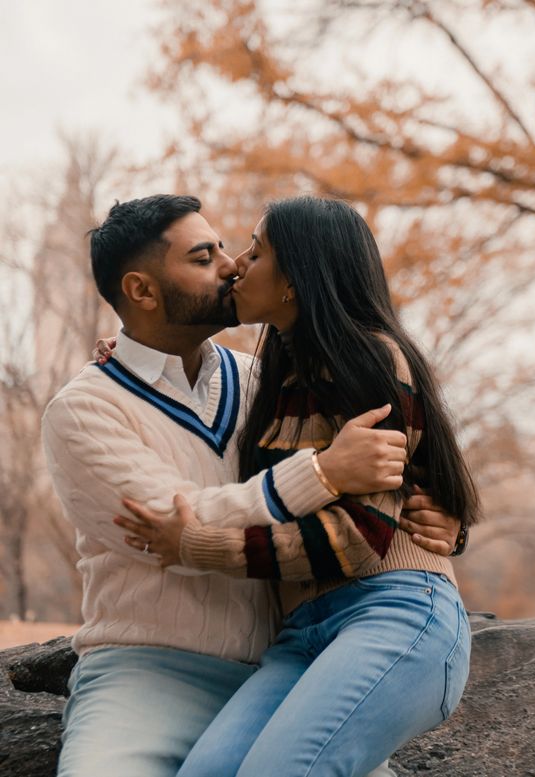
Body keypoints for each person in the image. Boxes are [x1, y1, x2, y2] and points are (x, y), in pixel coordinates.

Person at [42, 194, 461, 777]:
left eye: (230, 248)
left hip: (288, 662)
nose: (230, 264)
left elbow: (393, 462)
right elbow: (174, 523)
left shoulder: (264, 379)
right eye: (202, 256)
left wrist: (434, 514)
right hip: (149, 673)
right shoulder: (85, 409)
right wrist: (321, 473)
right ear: (142, 291)